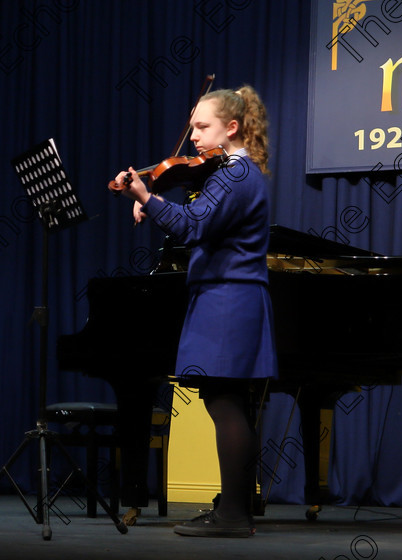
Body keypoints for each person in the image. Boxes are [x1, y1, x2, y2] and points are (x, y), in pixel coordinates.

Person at [110, 85, 277, 537]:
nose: (195, 138)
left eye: (203, 127)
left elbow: (193, 225)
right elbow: (198, 216)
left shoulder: (235, 176)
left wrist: (146, 196)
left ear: (232, 127)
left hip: (227, 297)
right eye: (194, 127)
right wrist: (157, 202)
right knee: (228, 402)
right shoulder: (236, 175)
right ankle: (234, 510)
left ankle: (234, 517)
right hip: (230, 296)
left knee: (224, 401)